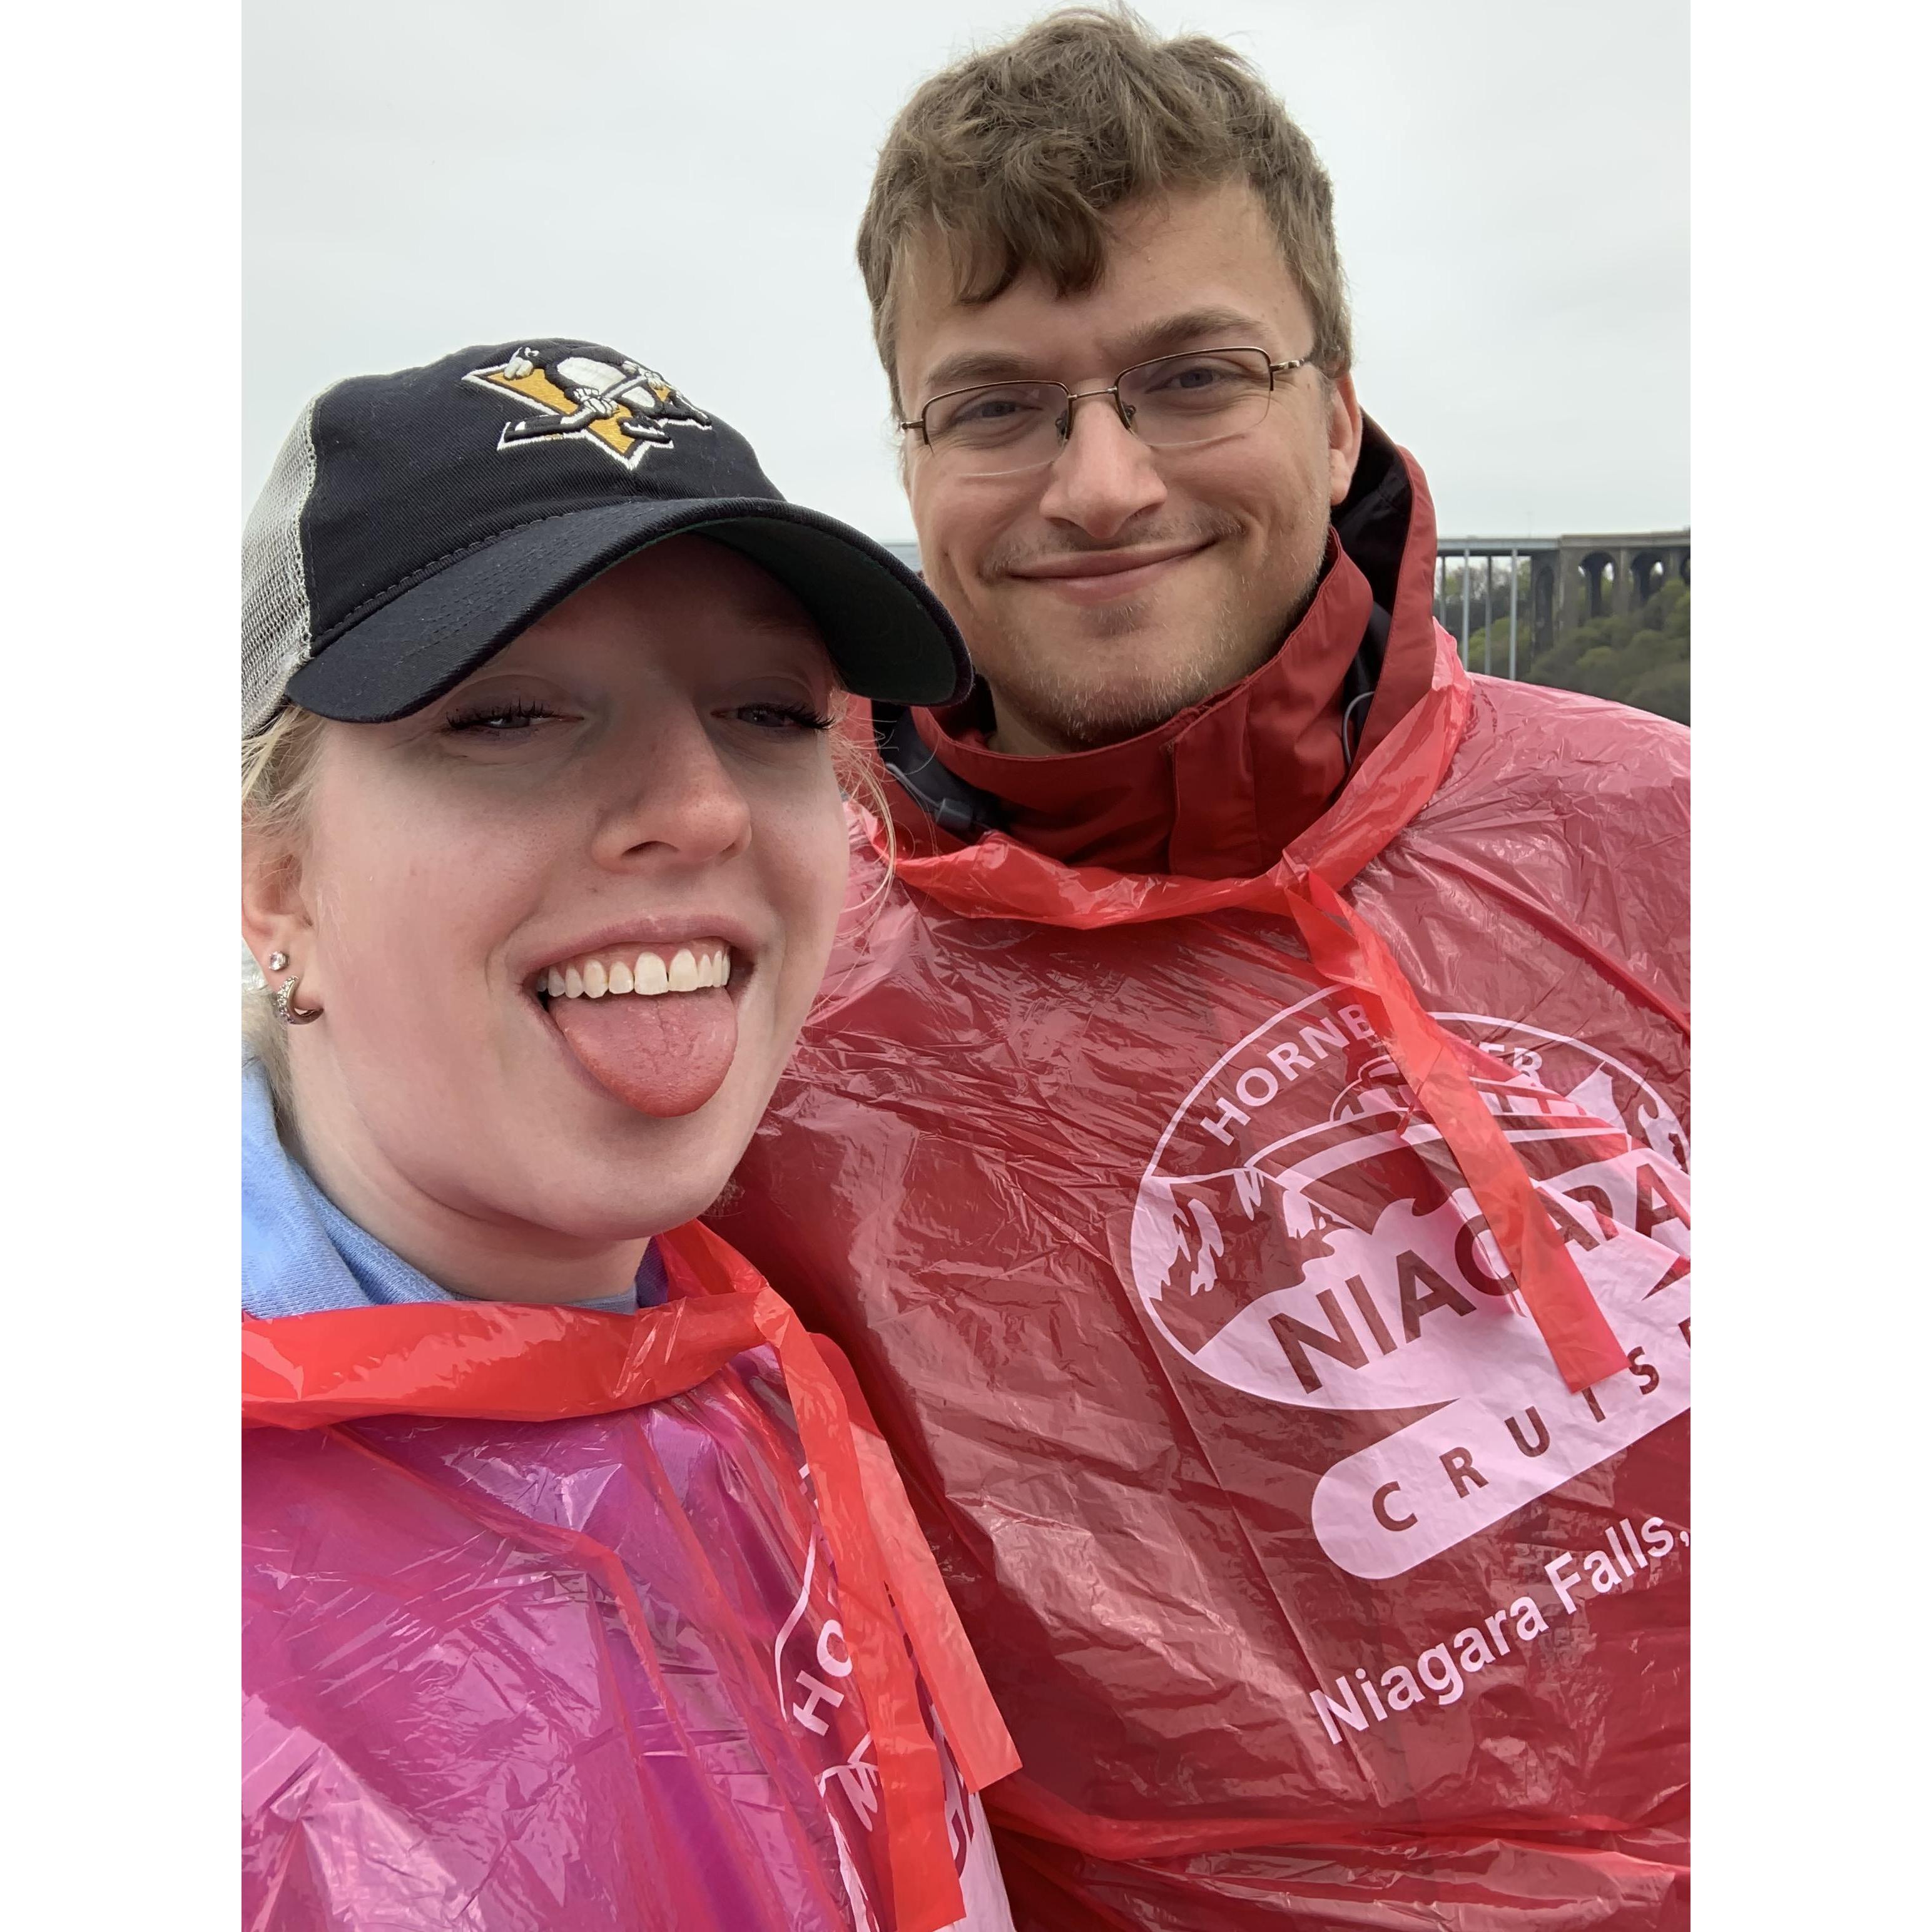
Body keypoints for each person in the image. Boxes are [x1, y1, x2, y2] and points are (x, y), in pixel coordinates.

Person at [714, 13, 1690, 1931]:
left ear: (1337, 412)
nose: (1096, 484)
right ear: (909, 466)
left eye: (1191, 377)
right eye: (995, 406)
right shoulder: (781, 1044)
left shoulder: (1687, 836)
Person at [240, 338, 1020, 1932]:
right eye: (510, 714)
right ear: (278, 891)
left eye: (763, 709)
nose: (701, 803)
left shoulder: (746, 1343)